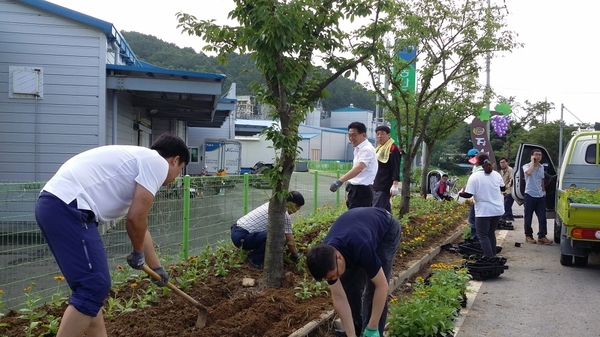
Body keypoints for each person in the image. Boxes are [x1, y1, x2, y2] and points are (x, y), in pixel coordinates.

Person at [34, 133, 190, 337]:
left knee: (90, 294)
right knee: (94, 285)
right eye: (178, 172)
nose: (173, 180)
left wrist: (156, 267)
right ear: (175, 160)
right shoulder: (157, 162)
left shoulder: (134, 167)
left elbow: (141, 225)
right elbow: (135, 219)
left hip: (56, 204)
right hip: (69, 206)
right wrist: (137, 253)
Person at [306, 207, 400, 337]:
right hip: (358, 229)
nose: (336, 277)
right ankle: (355, 331)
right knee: (349, 288)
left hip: (386, 230)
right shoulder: (326, 258)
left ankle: (373, 330)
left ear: (338, 257)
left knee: (373, 288)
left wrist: (372, 327)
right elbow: (339, 297)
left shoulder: (361, 245)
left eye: (336, 274)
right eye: (332, 277)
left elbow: (382, 286)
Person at [230, 191, 304, 269]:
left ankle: (254, 253)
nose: (296, 211)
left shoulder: (272, 205)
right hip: (242, 237)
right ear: (291, 204)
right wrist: (295, 254)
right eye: (297, 208)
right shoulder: (283, 214)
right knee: (278, 236)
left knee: (274, 234)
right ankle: (254, 260)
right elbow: (289, 237)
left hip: (236, 231)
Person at [459, 153, 505, 257]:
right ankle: (493, 257)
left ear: (477, 163)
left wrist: (460, 193)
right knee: (490, 233)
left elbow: (468, 194)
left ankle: (489, 258)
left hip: (484, 211)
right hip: (497, 210)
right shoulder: (496, 174)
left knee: (482, 235)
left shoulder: (474, 176)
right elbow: (503, 188)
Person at [330, 122, 378, 209]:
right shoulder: (358, 148)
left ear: (363, 135)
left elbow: (359, 167)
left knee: (359, 219)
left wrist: (340, 180)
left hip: (362, 191)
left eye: (354, 135)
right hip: (356, 190)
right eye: (349, 135)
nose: (351, 138)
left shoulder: (367, 149)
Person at [522, 149, 553, 245]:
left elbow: (542, 180)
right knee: (528, 217)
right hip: (529, 195)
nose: (538, 156)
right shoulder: (526, 166)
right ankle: (528, 235)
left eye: (539, 155)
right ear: (531, 156)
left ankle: (542, 236)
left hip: (540, 196)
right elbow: (529, 173)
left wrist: (543, 191)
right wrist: (532, 162)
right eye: (536, 154)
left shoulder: (541, 167)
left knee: (542, 217)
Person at [372, 125, 402, 212]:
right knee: (385, 209)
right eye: (377, 134)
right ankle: (390, 225)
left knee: (376, 209)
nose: (379, 136)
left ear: (388, 135)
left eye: (382, 134)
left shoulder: (393, 148)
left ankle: (377, 225)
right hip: (377, 182)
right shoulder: (378, 148)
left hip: (385, 184)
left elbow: (395, 166)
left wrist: (395, 184)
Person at [466, 148, 480, 240]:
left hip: (478, 199)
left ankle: (475, 238)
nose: (471, 159)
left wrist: (465, 193)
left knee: (473, 219)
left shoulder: (479, 169)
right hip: (478, 198)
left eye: (472, 157)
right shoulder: (475, 167)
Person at [499, 157, 515, 221]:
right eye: (501, 162)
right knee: (507, 203)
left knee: (507, 203)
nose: (502, 164)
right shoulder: (502, 170)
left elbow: (512, 179)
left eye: (503, 162)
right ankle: (510, 216)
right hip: (504, 190)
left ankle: (503, 217)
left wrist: (508, 185)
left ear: (507, 163)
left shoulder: (510, 170)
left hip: (510, 189)